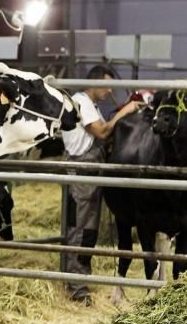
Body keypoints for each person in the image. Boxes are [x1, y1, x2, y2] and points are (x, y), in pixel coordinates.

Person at [60, 64, 143, 304]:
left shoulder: (92, 105)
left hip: (93, 169)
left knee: (89, 230)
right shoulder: (80, 101)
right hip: (82, 168)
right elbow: (102, 132)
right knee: (79, 227)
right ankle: (75, 286)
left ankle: (81, 280)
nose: (109, 90)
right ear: (94, 82)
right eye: (107, 84)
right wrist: (123, 112)